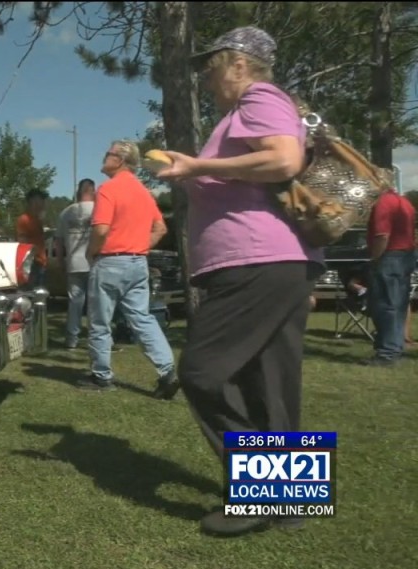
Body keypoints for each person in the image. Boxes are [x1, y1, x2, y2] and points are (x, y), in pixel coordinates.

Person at [155, 26, 325, 536]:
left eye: (211, 66)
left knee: (203, 371)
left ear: (238, 63)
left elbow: (283, 159)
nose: (207, 77)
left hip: (257, 259)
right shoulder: (247, 109)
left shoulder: (260, 96)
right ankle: (290, 503)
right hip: (277, 261)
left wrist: (201, 164)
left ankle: (260, 493)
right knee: (269, 382)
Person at [84, 140, 176, 394]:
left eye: (108, 153)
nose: (104, 157)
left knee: (100, 321)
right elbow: (161, 228)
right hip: (138, 262)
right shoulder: (143, 192)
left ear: (120, 160)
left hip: (110, 261)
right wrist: (138, 246)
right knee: (142, 318)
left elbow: (101, 229)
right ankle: (167, 371)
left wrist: (91, 251)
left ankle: (101, 376)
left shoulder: (108, 190)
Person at [364, 188, 416, 365]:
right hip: (406, 255)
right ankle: (395, 347)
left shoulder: (383, 202)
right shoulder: (405, 202)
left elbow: (382, 235)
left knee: (385, 305)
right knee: (398, 305)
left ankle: (387, 352)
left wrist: (374, 258)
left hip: (389, 255)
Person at [55, 179, 96, 348]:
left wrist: (60, 261)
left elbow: (58, 241)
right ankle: (96, 339)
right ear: (92, 191)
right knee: (96, 303)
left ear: (79, 191)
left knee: (75, 303)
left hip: (73, 263)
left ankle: (72, 338)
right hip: (94, 262)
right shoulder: (98, 210)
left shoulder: (66, 212)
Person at [16, 189, 48, 288]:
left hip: (41, 262)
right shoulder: (24, 219)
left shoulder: (37, 220)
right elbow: (22, 242)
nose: (43, 204)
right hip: (32, 264)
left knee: (40, 294)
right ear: (32, 202)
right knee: (32, 294)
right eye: (40, 201)